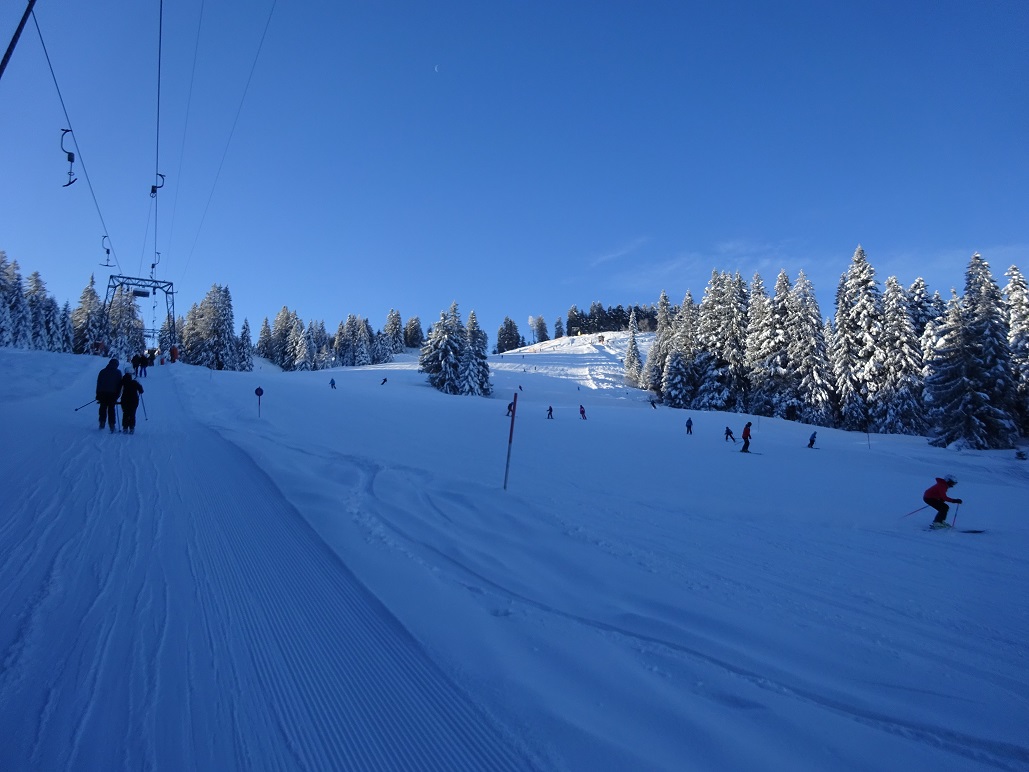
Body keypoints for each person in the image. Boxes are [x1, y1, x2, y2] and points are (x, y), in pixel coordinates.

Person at [96, 358, 122, 433]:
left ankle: (102, 422)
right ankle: (112, 425)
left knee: (102, 408)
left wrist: (98, 394)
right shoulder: (118, 372)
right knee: (111, 409)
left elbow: (99, 384)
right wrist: (118, 395)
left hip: (103, 393)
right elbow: (119, 385)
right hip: (113, 394)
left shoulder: (102, 371)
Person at [120, 368, 144, 434]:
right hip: (134, 399)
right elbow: (141, 390)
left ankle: (125, 427)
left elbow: (119, 389)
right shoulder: (135, 381)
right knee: (132, 413)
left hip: (124, 399)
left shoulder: (123, 379)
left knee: (125, 413)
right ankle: (132, 427)